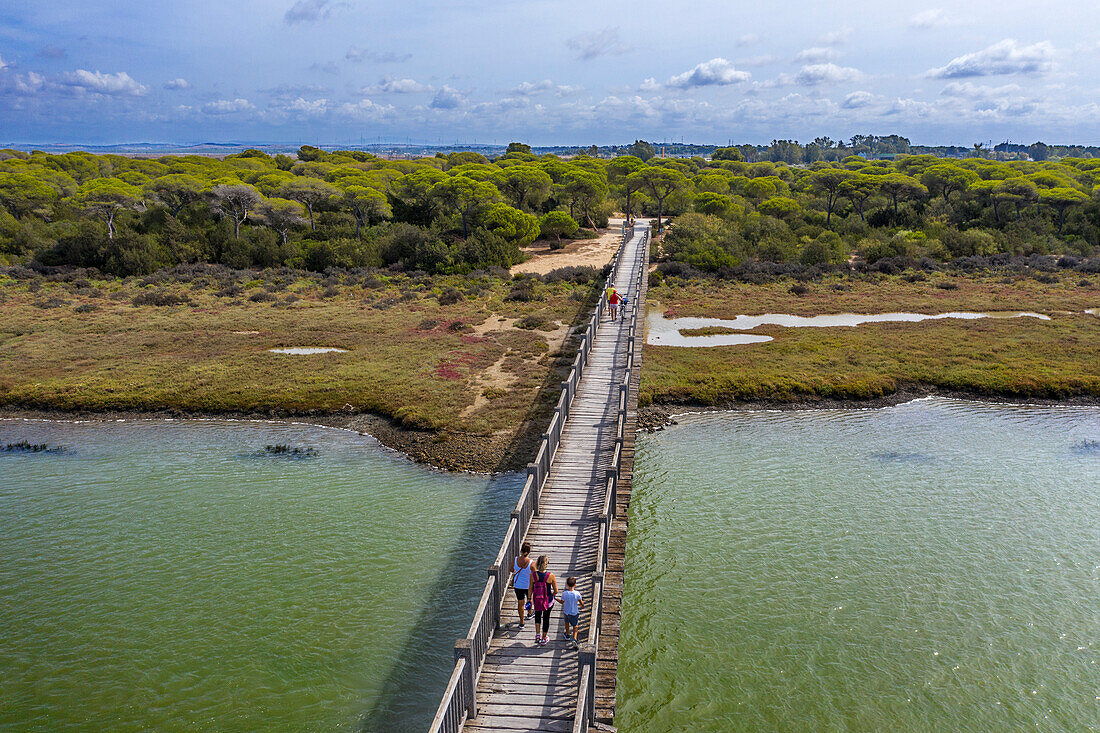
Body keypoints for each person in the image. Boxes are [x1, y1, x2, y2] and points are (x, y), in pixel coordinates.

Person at [530, 555, 558, 646]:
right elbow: (556, 591)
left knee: (537, 616)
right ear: (546, 564)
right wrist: (553, 595)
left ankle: (537, 635)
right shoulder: (551, 576)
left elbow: (530, 588)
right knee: (546, 618)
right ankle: (543, 638)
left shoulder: (533, 575)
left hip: (537, 600)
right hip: (548, 601)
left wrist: (529, 599)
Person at [558, 576, 585, 649]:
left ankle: (567, 635)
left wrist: (555, 598)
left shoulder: (565, 593)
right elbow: (581, 602)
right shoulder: (577, 593)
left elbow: (561, 602)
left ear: (566, 584)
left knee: (566, 623)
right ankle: (575, 638)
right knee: (575, 626)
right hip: (574, 612)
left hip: (566, 612)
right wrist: (582, 606)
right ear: (575, 584)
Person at [512, 542, 533, 628]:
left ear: (521, 550)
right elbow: (535, 574)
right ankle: (529, 613)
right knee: (529, 599)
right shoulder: (532, 563)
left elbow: (511, 570)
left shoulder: (515, 559)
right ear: (529, 551)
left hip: (518, 585)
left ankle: (521, 621)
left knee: (520, 603)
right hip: (528, 586)